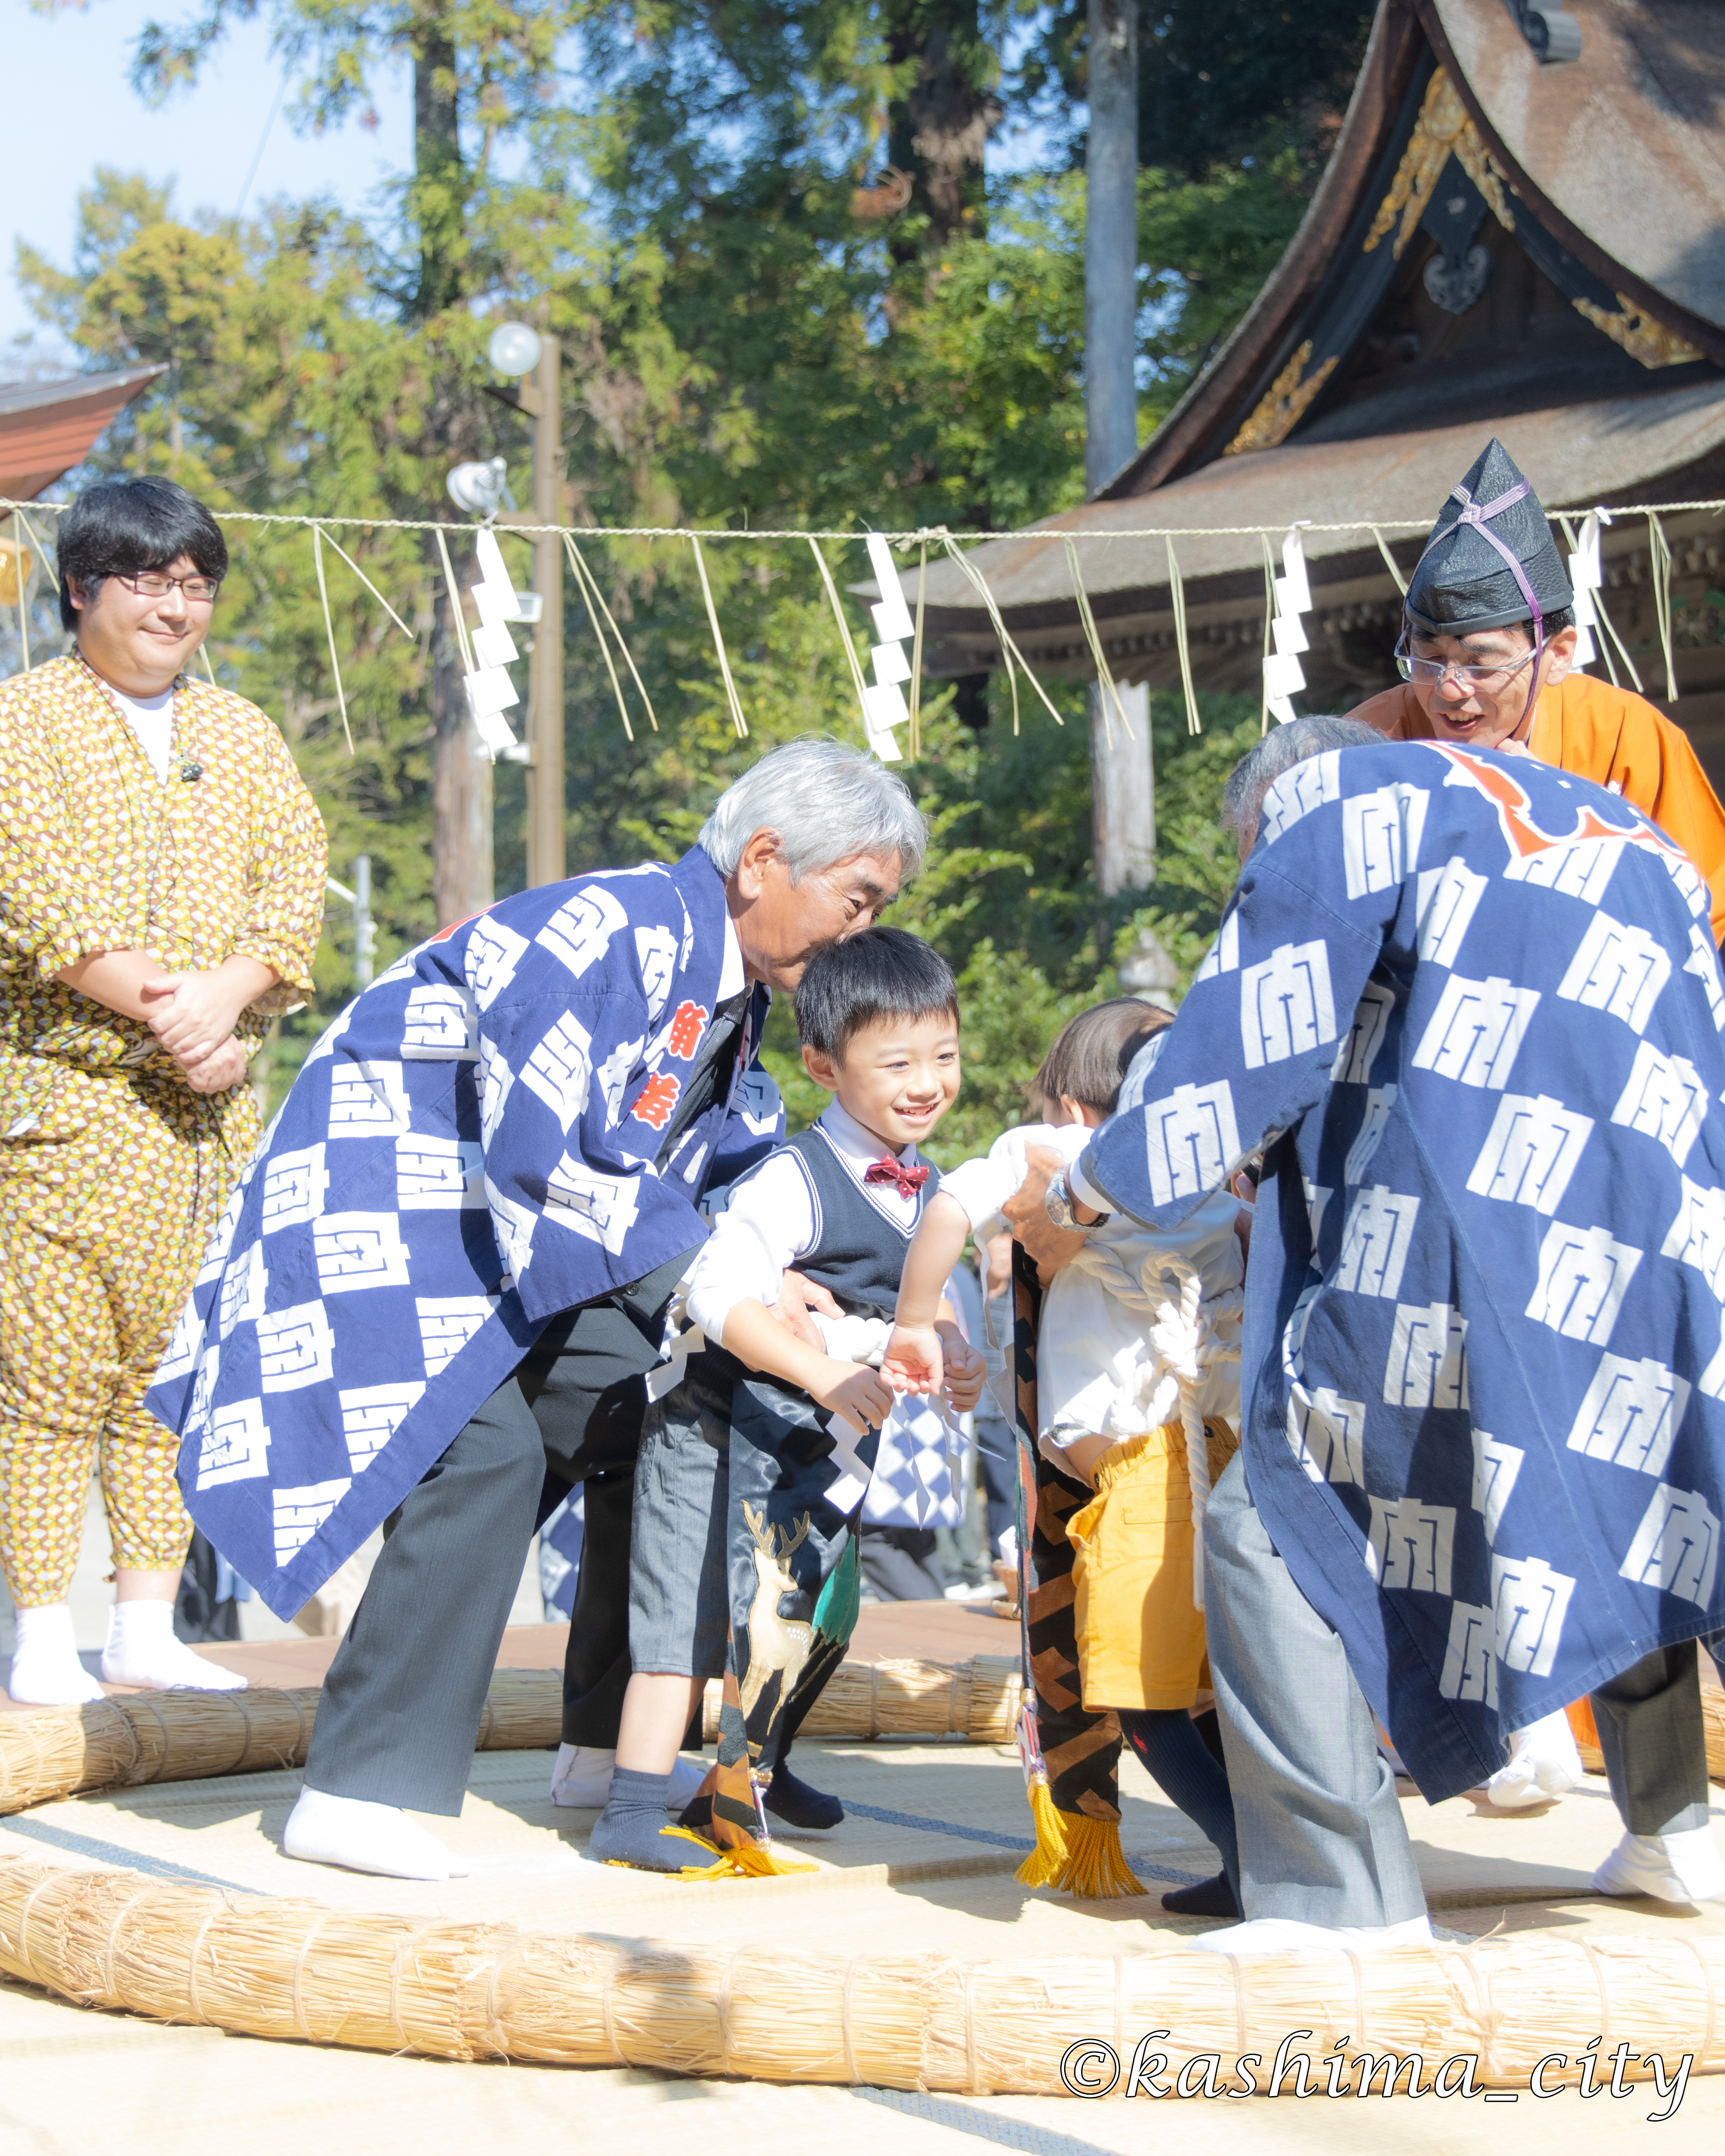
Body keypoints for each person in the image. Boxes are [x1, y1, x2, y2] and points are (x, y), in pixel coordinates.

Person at [145, 736, 922, 1881]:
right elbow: (541, 1150)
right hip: (405, 1223)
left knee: (665, 1393)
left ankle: (609, 1742)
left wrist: (763, 1271)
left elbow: (714, 1165)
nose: (857, 934)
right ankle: (356, 1784)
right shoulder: (611, 929)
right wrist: (723, 1271)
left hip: (532, 1250)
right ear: (765, 859)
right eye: (855, 900)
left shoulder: (734, 987)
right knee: (492, 1447)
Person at [1011, 713, 1725, 1953]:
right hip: (1666, 1226)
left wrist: (1084, 1195)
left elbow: (1247, 1046)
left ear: (1269, 817)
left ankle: (1341, 1904)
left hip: (1453, 1243)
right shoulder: (1614, 828)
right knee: (1649, 1502)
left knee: (1275, 1523)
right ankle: (1676, 1828)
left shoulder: (1339, 806)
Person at [0, 475, 325, 1706]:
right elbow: (40, 904)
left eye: (196, 586)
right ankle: (41, 1629)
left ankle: (145, 1621)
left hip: (210, 1115)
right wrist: (177, 1016)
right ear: (82, 587)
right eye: (149, 581)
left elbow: (293, 888)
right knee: (47, 1381)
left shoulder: (238, 732)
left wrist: (230, 1001)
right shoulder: (21, 723)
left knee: (173, 1383)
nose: (176, 607)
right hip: (65, 1103)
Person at [588, 926, 984, 1872]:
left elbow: (919, 1314)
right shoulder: (793, 1175)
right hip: (716, 1420)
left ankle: (758, 1766)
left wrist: (953, 1359)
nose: (923, 1081)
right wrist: (825, 1374)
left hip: (822, 1434)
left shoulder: (928, 1183)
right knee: (685, 1612)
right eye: (894, 1061)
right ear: (820, 1064)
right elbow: (714, 1295)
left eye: (942, 1055)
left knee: (816, 1613)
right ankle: (634, 1807)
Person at [887, 999, 1244, 1912]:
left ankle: (1259, 1859)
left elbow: (946, 1210)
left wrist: (914, 1318)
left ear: (1068, 1103)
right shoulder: (1217, 1174)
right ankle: (1263, 1857)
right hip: (1227, 1459)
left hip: (1151, 1475)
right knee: (1220, 1690)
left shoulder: (1050, 1153)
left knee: (1142, 1699)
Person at [1349, 437, 1725, 942]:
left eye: (1480, 665)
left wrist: (1555, 819)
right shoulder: (1364, 745)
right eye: (1429, 660)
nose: (1448, 690)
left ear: (1558, 654)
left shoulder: (1621, 734)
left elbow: (1704, 909)